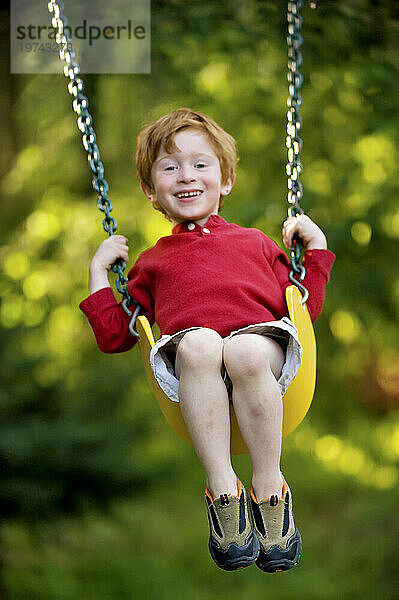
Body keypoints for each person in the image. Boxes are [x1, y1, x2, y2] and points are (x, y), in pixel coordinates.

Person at [80, 108, 335, 573]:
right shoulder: (151, 264)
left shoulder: (256, 243)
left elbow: (304, 309)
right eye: (169, 166)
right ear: (150, 190)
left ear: (226, 180)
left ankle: (269, 489)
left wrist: (314, 249)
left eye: (200, 164)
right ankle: (223, 493)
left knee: (243, 347)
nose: (185, 176)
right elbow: (116, 335)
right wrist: (100, 272)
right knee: (197, 343)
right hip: (198, 373)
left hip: (265, 360)